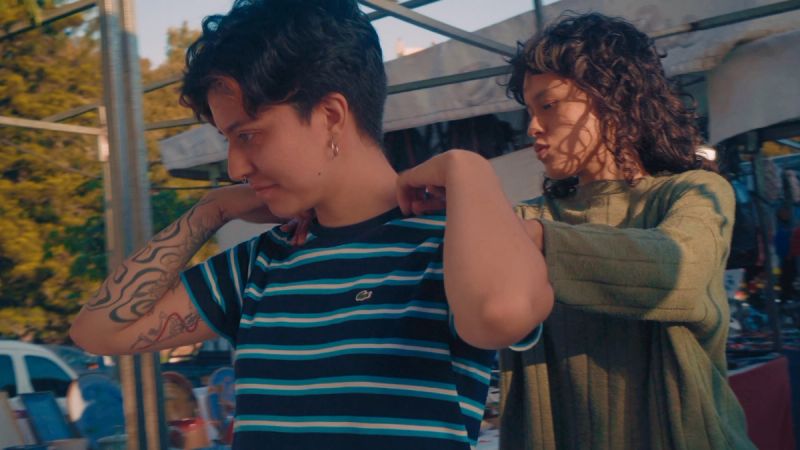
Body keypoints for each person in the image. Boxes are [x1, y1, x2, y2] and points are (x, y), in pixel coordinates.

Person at [69, 1, 553, 449]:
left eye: (248, 135)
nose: (235, 165)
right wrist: (209, 211)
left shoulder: (454, 243)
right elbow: (97, 332)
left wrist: (467, 168)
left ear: (330, 115)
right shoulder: (263, 260)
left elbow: (500, 315)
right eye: (228, 140)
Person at [495, 12, 756, 450]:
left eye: (548, 105)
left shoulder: (694, 193)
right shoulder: (529, 217)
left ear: (613, 99)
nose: (533, 128)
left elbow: (679, 273)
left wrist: (536, 240)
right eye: (529, 111)